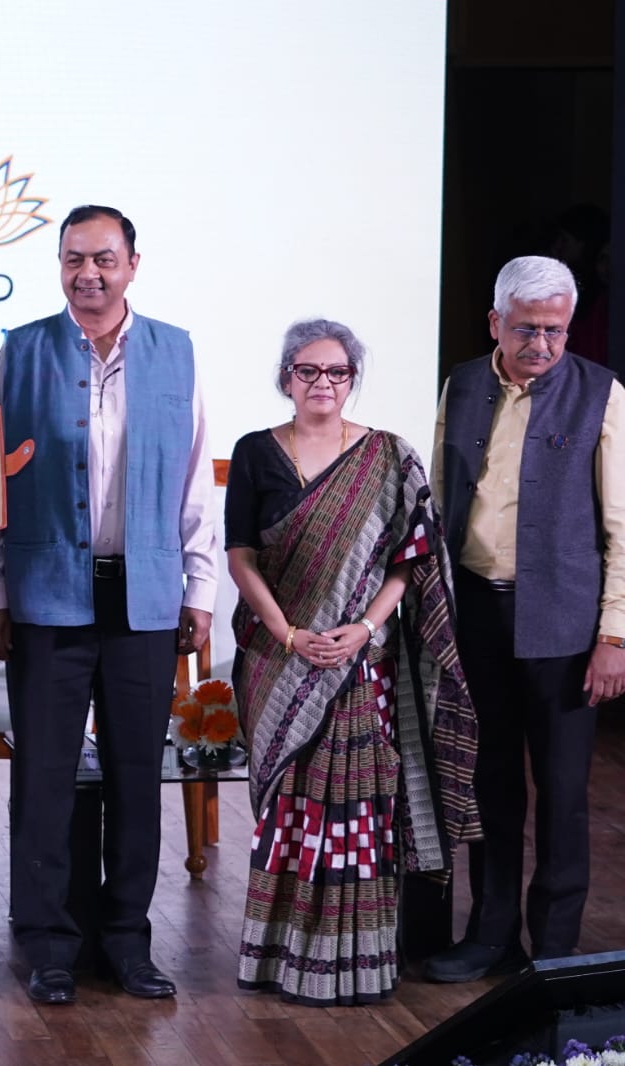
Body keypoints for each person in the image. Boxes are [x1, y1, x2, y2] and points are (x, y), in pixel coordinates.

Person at [0, 204, 215, 1004]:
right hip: (45, 595)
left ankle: (127, 941)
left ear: (133, 265)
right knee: (43, 777)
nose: (89, 274)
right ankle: (47, 943)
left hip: (145, 595)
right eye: (74, 259)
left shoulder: (176, 351)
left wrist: (201, 588)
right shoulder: (21, 351)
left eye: (104, 259)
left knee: (136, 777)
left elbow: (191, 482)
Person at [226, 319, 478, 1005]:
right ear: (286, 377)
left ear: (352, 379)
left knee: (357, 811)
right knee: (290, 811)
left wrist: (364, 629)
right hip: (280, 659)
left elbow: (409, 561)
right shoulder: (254, 452)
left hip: (360, 664)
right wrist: (288, 634)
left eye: (337, 372)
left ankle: (356, 962)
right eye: (308, 370)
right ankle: (279, 959)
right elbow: (241, 555)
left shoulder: (388, 456)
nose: (323, 383)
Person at [423, 256, 625, 982]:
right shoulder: (463, 384)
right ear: (495, 323)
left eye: (554, 330)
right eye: (526, 329)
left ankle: (556, 952)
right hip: (477, 613)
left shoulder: (601, 393)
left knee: (564, 794)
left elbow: (622, 525)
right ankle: (491, 935)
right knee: (489, 783)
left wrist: (615, 635)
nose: (541, 344)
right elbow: (441, 500)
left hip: (565, 627)